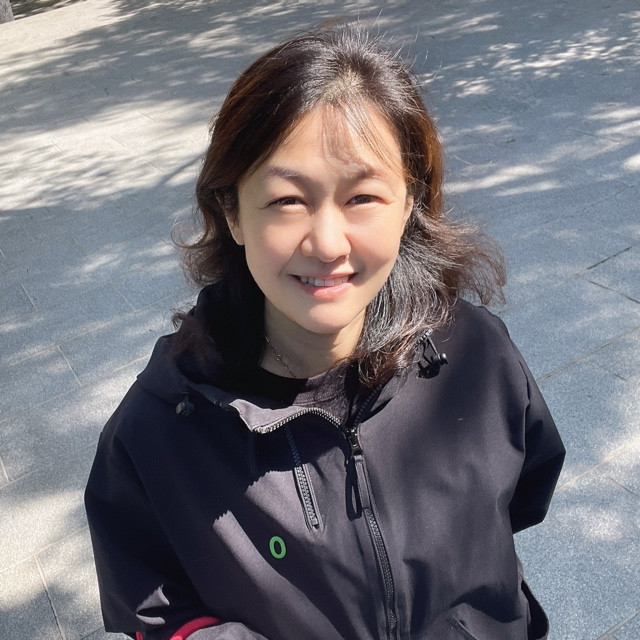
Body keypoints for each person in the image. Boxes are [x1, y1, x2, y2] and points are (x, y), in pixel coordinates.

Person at [85, 24, 565, 640]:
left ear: (409, 203)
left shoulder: (475, 353)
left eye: (363, 196)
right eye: (288, 200)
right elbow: (153, 607)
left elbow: (522, 494)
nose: (329, 243)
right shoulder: (160, 430)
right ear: (232, 212)